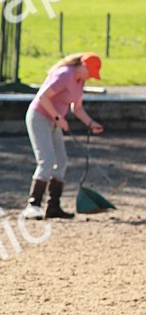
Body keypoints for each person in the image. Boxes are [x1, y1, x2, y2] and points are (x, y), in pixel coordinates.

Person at [23, 52, 104, 220]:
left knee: (61, 161)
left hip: (53, 121)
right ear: (83, 66)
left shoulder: (80, 81)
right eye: (90, 73)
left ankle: (53, 207)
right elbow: (43, 97)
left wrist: (91, 123)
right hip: (39, 117)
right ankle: (33, 205)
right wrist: (58, 118)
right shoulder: (64, 74)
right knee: (47, 160)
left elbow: (77, 108)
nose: (90, 77)